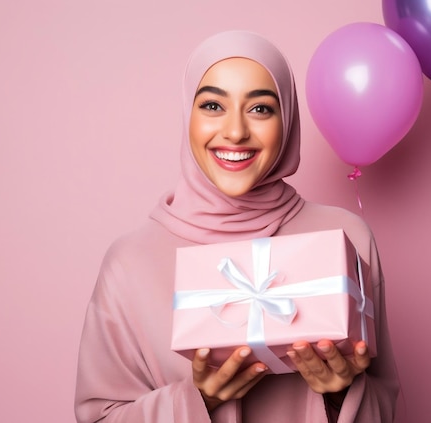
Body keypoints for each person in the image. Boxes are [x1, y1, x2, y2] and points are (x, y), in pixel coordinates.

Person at [74, 30, 399, 423]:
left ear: (288, 120)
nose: (235, 132)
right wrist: (196, 402)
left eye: (260, 109)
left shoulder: (347, 236)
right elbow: (99, 417)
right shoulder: (130, 262)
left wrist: (344, 391)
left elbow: (386, 401)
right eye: (213, 105)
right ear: (186, 114)